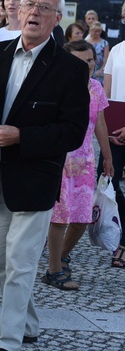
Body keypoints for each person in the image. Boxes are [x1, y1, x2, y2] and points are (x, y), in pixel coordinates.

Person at [0, 0, 89, 351]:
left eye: (43, 8)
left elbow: (72, 132)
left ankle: (8, 341)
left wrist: (21, 137)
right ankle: (28, 323)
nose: (33, 12)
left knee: (19, 262)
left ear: (57, 18)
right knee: (3, 262)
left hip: (36, 179)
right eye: (28, 5)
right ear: (16, 11)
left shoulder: (70, 68)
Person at [45, 40, 113, 290]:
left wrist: (107, 156)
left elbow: (100, 124)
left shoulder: (96, 88)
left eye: (90, 60)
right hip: (60, 159)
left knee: (82, 219)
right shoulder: (56, 86)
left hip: (85, 161)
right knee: (59, 217)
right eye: (79, 60)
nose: (86, 65)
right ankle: (53, 269)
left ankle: (61, 256)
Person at [102, 38, 125, 268]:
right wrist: (107, 127)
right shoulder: (117, 50)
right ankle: (120, 237)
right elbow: (106, 94)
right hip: (114, 130)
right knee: (110, 184)